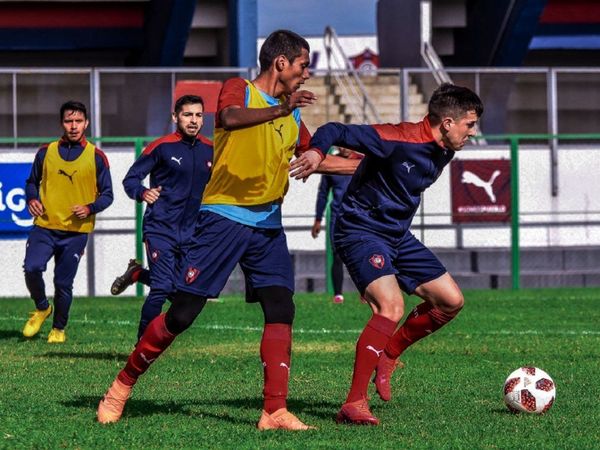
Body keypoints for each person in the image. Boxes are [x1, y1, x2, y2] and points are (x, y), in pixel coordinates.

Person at [97, 29, 358, 429]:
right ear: (281, 63)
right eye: (304, 65)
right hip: (224, 218)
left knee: (281, 307)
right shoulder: (240, 89)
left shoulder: (292, 113)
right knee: (182, 314)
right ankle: (121, 386)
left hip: (268, 223)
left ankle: (274, 410)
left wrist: (367, 166)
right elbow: (231, 119)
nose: (307, 74)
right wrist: (280, 110)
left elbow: (312, 159)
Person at [306, 83, 484, 425]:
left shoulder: (444, 150)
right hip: (360, 230)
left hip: (397, 236)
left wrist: (334, 168)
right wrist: (316, 153)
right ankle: (354, 403)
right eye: (469, 125)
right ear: (447, 122)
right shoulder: (397, 137)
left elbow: (381, 172)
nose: (472, 133)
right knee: (391, 307)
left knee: (451, 301)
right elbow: (334, 129)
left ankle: (388, 355)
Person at [110, 95, 213, 340]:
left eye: (198, 115)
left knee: (182, 294)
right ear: (175, 117)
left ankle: (136, 274)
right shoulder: (161, 147)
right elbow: (131, 179)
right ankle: (141, 346)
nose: (193, 120)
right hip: (160, 228)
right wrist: (142, 192)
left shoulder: (211, 149)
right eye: (188, 115)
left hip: (191, 232)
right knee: (161, 288)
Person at [22, 100, 113, 343]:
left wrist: (90, 208)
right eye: (68, 121)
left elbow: (108, 195)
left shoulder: (97, 157)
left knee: (63, 282)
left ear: (87, 123)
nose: (73, 126)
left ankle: (58, 329)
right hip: (45, 226)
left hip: (76, 232)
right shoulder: (46, 152)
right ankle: (42, 308)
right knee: (31, 268)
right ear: (62, 123)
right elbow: (31, 182)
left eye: (78, 121)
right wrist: (32, 198)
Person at [310, 148, 361, 304]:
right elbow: (323, 193)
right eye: (341, 145)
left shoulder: (361, 161)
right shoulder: (332, 164)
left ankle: (365, 292)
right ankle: (338, 294)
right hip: (338, 217)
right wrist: (318, 219)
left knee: (361, 255)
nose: (344, 148)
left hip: (358, 216)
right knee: (337, 255)